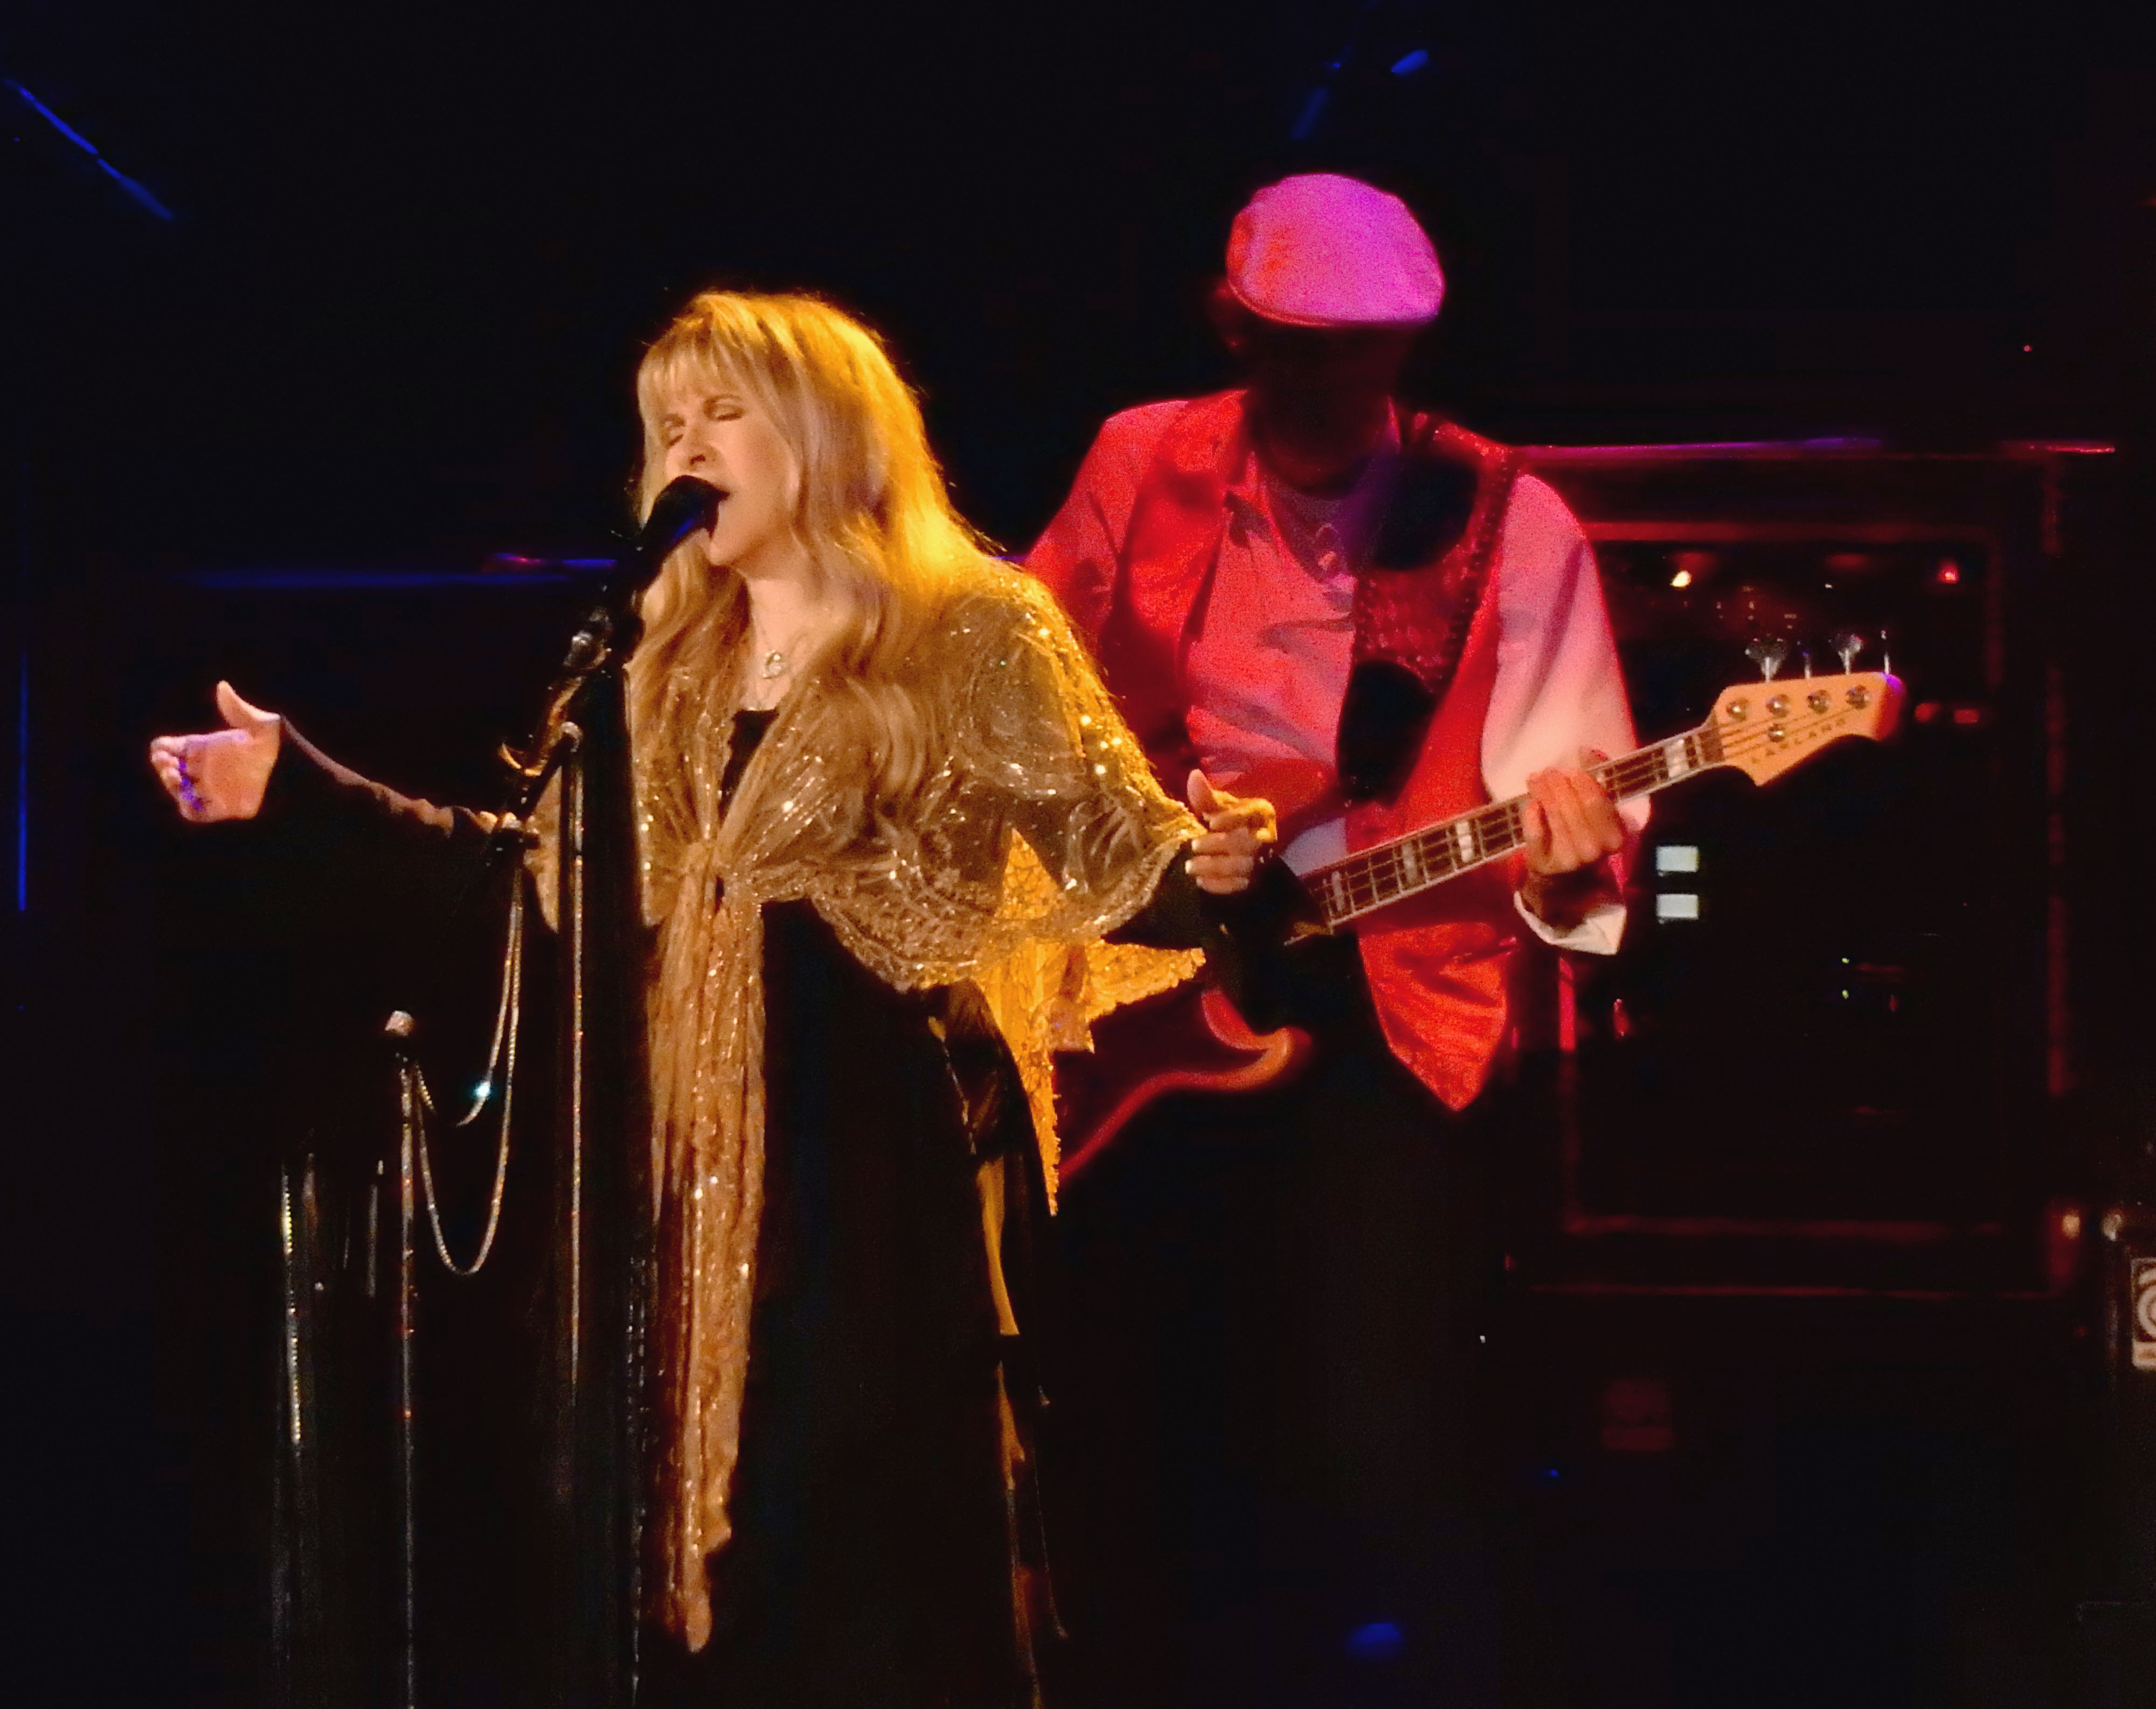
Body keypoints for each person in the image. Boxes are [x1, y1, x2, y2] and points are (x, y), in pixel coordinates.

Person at [149, 289, 1273, 1708]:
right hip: (679, 1178)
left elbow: (1122, 850)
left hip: (875, 1172)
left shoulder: (973, 627)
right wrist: (301, 789)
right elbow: (531, 880)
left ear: (826, 432)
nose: (685, 447)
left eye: (723, 413)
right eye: (665, 423)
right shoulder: (659, 663)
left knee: (859, 1557)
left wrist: (1218, 865)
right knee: (700, 1578)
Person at [1024, 175, 1641, 1708]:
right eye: (1297, 346)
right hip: (1155, 970)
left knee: (1382, 1422)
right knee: (1145, 1397)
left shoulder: (1502, 517)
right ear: (1231, 328)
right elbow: (1025, 706)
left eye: (1363, 351)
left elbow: (1567, 819)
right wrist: (1145, 845)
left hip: (1389, 991)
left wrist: (1572, 862)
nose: (1331, 383)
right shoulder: (1141, 460)